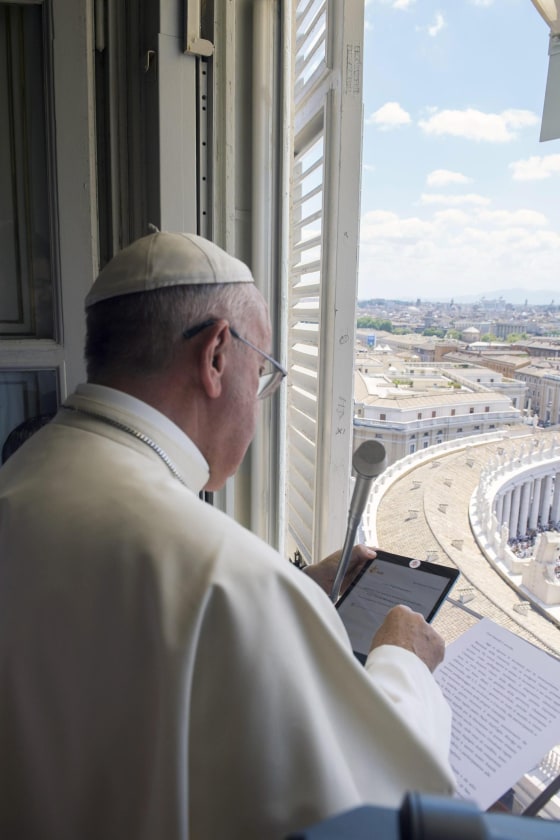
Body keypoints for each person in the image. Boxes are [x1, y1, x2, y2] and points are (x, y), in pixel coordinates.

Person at [0, 232, 455, 840]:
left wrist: (296, 591)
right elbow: (380, 807)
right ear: (216, 355)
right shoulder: (233, 580)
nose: (259, 403)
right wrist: (405, 660)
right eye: (263, 373)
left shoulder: (21, 475)